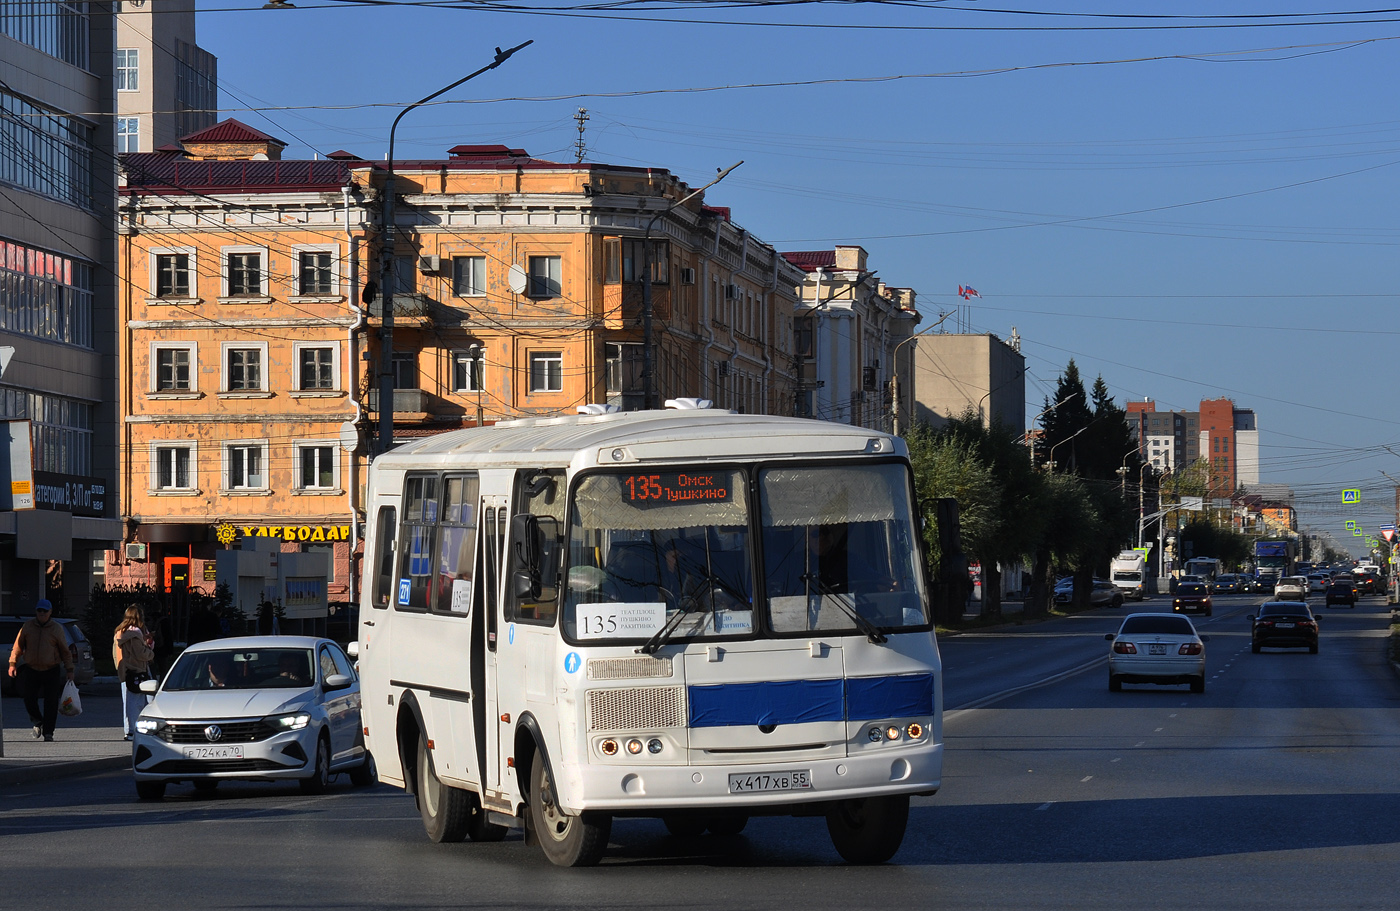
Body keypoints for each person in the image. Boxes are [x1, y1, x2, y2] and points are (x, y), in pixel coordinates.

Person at [6, 599, 74, 742]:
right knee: (28, 698)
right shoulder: (28, 626)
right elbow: (17, 646)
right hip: (32, 668)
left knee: (51, 702)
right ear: (36, 612)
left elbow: (65, 651)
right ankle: (38, 722)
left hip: (51, 669)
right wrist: (12, 663)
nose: (42, 614)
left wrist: (69, 669)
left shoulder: (56, 628)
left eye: (45, 611)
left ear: (50, 612)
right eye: (39, 611)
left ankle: (48, 732)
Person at [113, 607, 155, 741]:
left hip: (126, 670)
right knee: (141, 702)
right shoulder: (135, 635)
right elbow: (141, 654)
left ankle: (130, 730)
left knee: (130, 702)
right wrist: (151, 653)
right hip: (138, 671)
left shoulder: (120, 633)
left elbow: (116, 653)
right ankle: (136, 731)